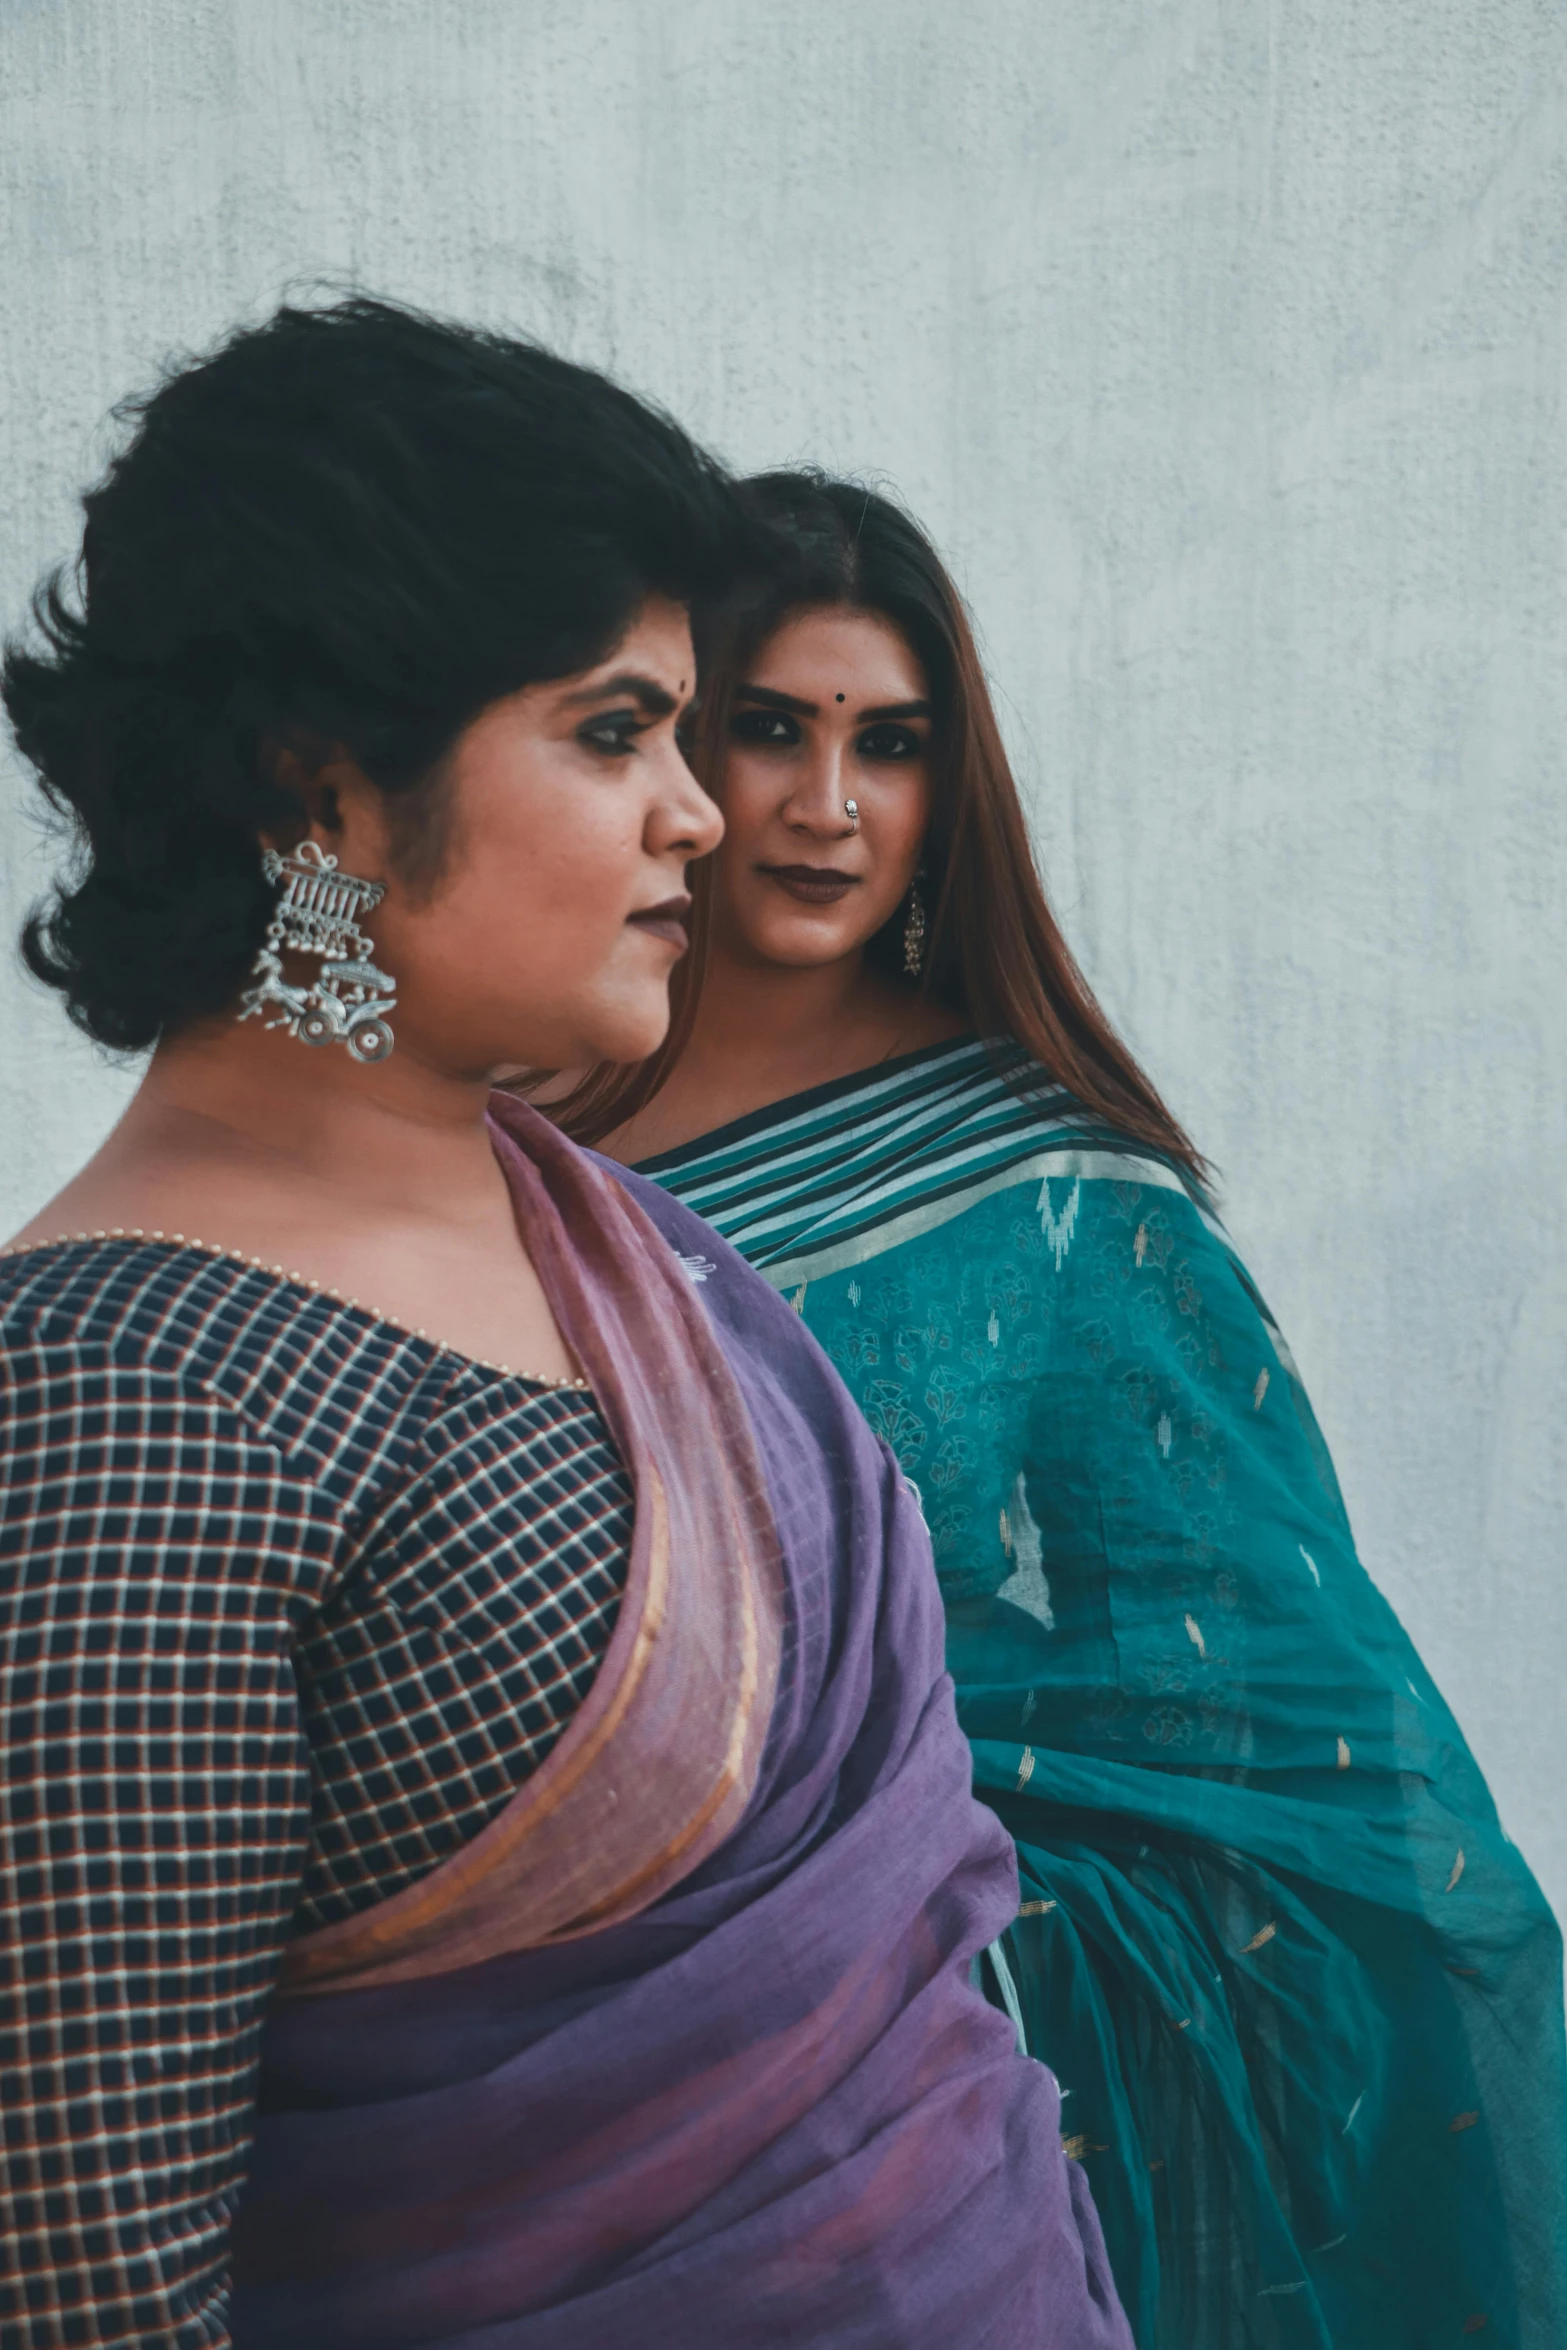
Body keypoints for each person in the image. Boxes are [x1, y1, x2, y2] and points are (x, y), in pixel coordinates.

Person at [0, 311, 1134, 2350]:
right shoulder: (133, 1400)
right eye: (617, 734)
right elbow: (86, 2278)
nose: (699, 813)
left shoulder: (600, 1226)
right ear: (322, 788)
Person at [570, 470, 1567, 2350]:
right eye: (769, 728)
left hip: (915, 2069)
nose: (827, 804)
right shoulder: (521, 1137)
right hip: (532, 2018)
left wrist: (969, 1953)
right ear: (679, 751)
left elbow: (1270, 1733)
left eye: (893, 743)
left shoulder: (1053, 1194)